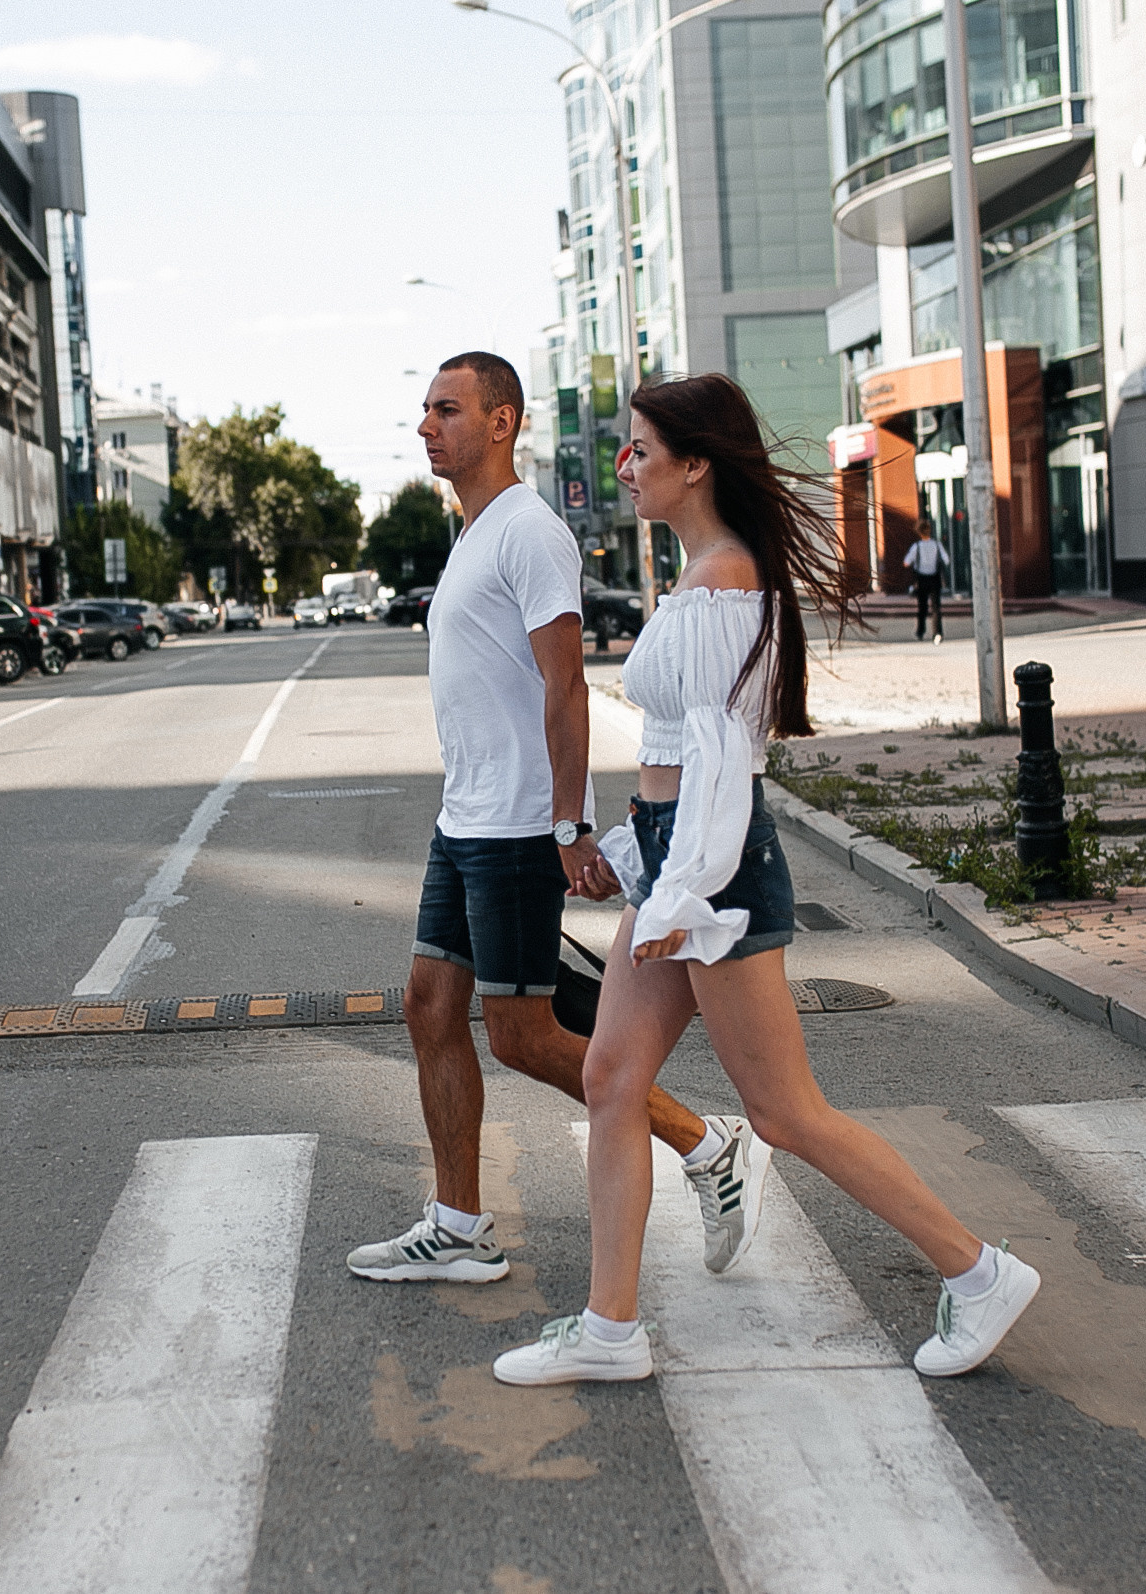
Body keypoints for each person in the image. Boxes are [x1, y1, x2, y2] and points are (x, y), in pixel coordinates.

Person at [492, 372, 1039, 1386]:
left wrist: (682, 891)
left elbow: (717, 764)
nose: (623, 465)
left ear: (695, 462)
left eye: (641, 449)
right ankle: (610, 1328)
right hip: (682, 856)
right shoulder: (705, 571)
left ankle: (978, 1269)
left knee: (785, 1112)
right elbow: (673, 755)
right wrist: (631, 854)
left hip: (713, 869)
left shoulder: (724, 583)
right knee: (611, 1076)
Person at [347, 352, 770, 1288]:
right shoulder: (472, 534)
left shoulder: (528, 533)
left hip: (513, 824)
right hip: (464, 816)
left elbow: (564, 683)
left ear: (502, 422)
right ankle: (455, 1224)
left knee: (523, 1034)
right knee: (429, 1007)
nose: (426, 426)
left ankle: (706, 1145)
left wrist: (569, 825)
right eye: (422, 409)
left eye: (446, 409)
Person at [903, 525, 945, 643]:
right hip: (934, 578)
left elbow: (906, 562)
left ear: (919, 533)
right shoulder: (937, 545)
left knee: (922, 607)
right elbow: (946, 559)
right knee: (936, 607)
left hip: (921, 579)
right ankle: (937, 632)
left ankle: (920, 631)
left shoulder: (916, 546)